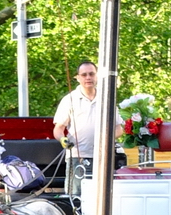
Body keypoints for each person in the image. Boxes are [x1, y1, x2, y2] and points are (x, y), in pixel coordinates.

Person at [52, 61, 123, 199]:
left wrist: (106, 140)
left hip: (104, 158)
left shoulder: (107, 99)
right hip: (78, 158)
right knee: (76, 199)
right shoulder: (69, 100)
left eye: (91, 74)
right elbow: (58, 129)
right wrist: (62, 139)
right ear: (77, 78)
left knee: (103, 198)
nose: (88, 78)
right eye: (84, 75)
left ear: (97, 76)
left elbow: (119, 129)